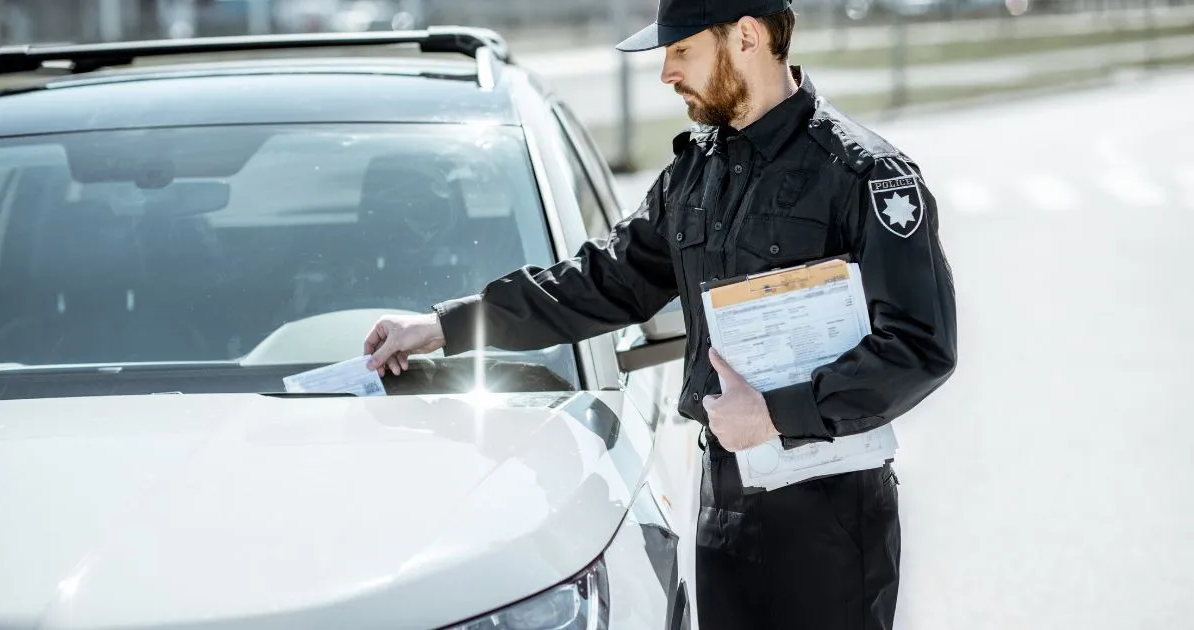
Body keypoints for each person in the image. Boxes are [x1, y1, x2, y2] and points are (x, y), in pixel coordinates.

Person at [363, 0, 958, 627]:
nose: (666, 73)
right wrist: (448, 326)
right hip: (724, 508)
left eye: (681, 51)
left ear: (747, 37)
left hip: (830, 516)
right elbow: (601, 282)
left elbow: (920, 345)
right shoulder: (696, 175)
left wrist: (775, 413)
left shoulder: (864, 174)